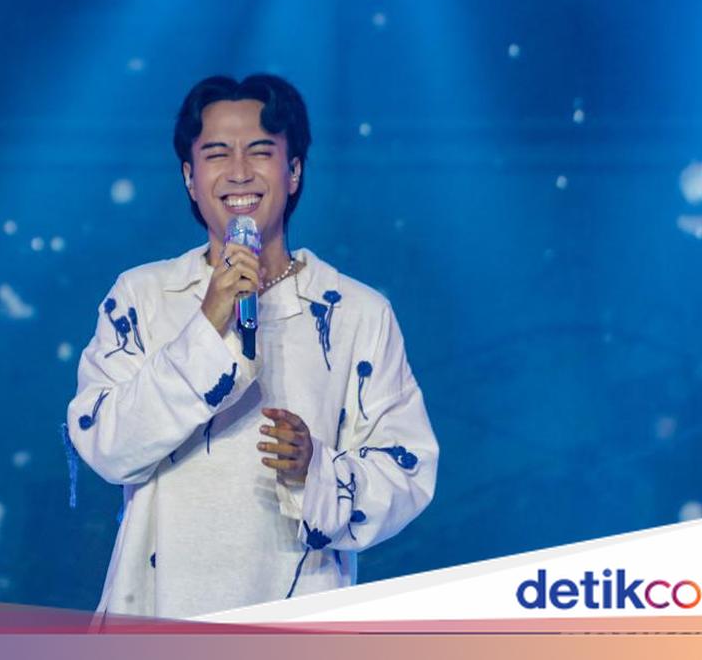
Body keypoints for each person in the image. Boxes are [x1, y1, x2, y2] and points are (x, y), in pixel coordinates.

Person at [65, 74, 438, 621]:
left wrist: (316, 469)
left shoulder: (355, 313)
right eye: (217, 154)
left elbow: (408, 470)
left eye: (260, 151)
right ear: (190, 177)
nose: (239, 171)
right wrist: (209, 318)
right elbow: (104, 444)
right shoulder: (142, 297)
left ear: (294, 170)